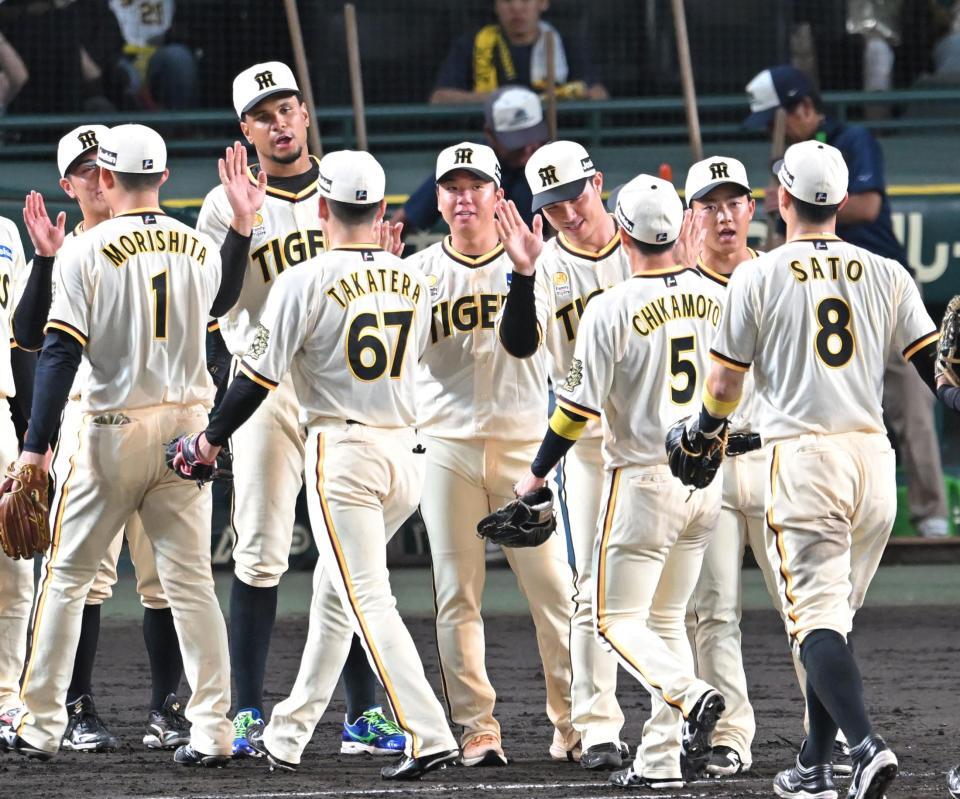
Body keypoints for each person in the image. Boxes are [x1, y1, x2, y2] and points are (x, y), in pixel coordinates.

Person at [168, 149, 459, 781]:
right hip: (406, 454)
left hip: (346, 454)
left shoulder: (305, 278)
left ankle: (428, 732)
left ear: (322, 209)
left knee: (367, 600)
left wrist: (210, 440)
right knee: (335, 596)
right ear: (382, 212)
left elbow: (253, 377)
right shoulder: (414, 276)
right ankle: (290, 734)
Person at [673, 140, 946, 799]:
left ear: (780, 198)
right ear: (844, 202)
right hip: (874, 465)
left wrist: (702, 432)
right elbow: (942, 380)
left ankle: (867, 745)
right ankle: (813, 763)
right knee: (832, 621)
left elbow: (722, 384)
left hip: (801, 459)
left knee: (817, 622)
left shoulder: (757, 276)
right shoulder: (887, 272)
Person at [0, 123, 240, 765]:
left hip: (110, 428)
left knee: (68, 578)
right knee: (192, 586)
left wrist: (35, 446)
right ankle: (212, 729)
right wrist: (240, 230)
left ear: (105, 178)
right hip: (187, 427)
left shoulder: (86, 249)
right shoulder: (201, 248)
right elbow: (224, 312)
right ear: (163, 176)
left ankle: (42, 723)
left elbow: (57, 351)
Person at [196, 61, 394, 758]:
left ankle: (363, 714)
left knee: (352, 558)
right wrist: (242, 227)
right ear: (244, 130)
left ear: (305, 114)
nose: (279, 124)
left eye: (287, 109)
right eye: (263, 115)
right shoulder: (228, 201)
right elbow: (215, 304)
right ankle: (246, 711)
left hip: (340, 394)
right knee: (258, 550)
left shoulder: (345, 181)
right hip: (265, 393)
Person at [513, 174, 726, 789]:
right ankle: (659, 760)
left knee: (610, 617)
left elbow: (575, 412)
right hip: (701, 482)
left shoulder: (611, 305)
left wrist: (534, 475)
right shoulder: (715, 296)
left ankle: (688, 694)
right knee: (665, 623)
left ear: (624, 231)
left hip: (638, 479)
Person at [410, 141, 577, 767]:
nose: (463, 196)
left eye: (475, 184)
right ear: (439, 197)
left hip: (525, 450)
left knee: (554, 594)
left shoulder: (543, 263)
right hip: (447, 446)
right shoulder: (418, 272)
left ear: (497, 195)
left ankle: (572, 722)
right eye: (451, 186)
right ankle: (478, 728)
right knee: (457, 595)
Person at [744, 64, 949, 539]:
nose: (776, 131)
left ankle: (932, 513)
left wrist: (795, 202)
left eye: (780, 118)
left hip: (878, 284)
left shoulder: (851, 138)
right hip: (819, 286)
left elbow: (867, 206)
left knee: (915, 398)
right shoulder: (787, 167)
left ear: (805, 108)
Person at [495, 140, 630, 770]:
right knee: (590, 587)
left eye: (574, 196)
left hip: (663, 441)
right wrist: (521, 274)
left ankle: (685, 721)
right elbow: (521, 345)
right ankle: (596, 726)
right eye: (552, 206)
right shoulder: (545, 264)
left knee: (680, 596)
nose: (568, 214)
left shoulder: (645, 239)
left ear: (597, 182)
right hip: (590, 445)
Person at [678, 155, 785, 778]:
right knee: (713, 611)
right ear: (691, 215)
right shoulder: (673, 292)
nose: (723, 215)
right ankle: (730, 736)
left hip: (772, 458)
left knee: (804, 610)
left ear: (753, 207)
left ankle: (823, 737)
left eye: (733, 202)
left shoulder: (777, 278)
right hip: (707, 466)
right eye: (708, 205)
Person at [396, 86, 549, 232]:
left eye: (533, 138)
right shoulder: (470, 163)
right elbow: (403, 219)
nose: (528, 150)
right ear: (490, 134)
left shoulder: (550, 161)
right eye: (518, 143)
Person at [431, 0, 607, 103]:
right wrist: (500, 99)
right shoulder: (472, 44)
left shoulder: (565, 44)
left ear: (543, 3)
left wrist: (564, 96)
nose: (516, 7)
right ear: (495, 5)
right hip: (492, 144)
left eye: (525, 0)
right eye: (507, 0)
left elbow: (599, 95)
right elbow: (439, 99)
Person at [0, 178, 31, 736]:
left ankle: (6, 696)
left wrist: (32, 433)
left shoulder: (5, 233)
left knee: (15, 569)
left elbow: (21, 339)